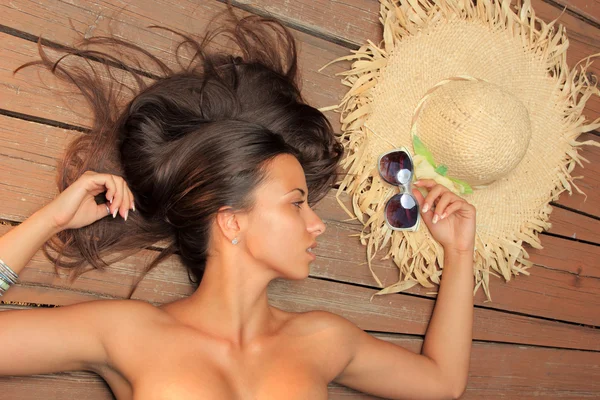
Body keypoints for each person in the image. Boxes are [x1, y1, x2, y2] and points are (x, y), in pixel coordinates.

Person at [0, 5, 476, 400]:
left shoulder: (322, 340)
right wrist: (51, 219)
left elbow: (443, 383)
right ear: (231, 222)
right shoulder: (128, 331)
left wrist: (458, 254)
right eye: (296, 203)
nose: (317, 226)